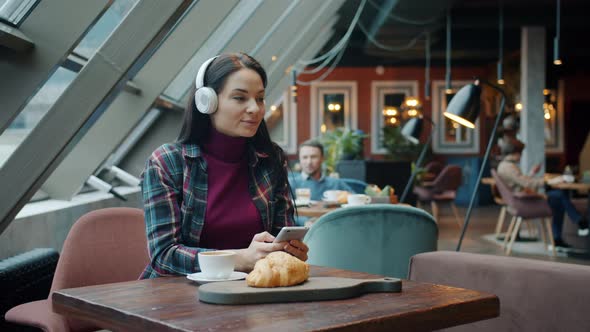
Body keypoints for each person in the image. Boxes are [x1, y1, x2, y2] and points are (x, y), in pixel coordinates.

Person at [140, 53, 308, 278]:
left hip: (251, 292)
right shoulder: (166, 163)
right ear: (207, 102)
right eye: (240, 98)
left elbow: (279, 236)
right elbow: (163, 256)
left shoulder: (270, 160)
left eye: (259, 98)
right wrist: (239, 259)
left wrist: (286, 251)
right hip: (179, 299)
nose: (255, 109)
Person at [497, 137, 588, 248]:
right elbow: (527, 183)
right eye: (520, 153)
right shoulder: (509, 167)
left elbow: (520, 182)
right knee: (560, 196)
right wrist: (549, 181)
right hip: (525, 202)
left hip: (521, 200)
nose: (521, 157)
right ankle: (580, 222)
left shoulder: (503, 166)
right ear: (515, 153)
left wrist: (532, 173)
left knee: (558, 201)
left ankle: (560, 238)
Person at [289, 139, 353, 201]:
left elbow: (356, 201)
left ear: (322, 158)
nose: (309, 162)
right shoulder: (290, 184)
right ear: (299, 159)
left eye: (313, 157)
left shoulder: (336, 183)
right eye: (305, 157)